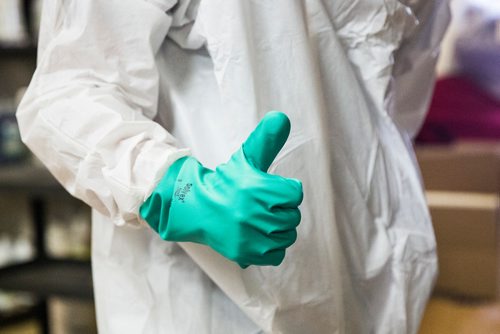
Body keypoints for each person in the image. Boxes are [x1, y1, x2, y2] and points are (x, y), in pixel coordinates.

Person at [17, 1, 450, 333]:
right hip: (204, 298)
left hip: (367, 276)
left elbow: (394, 100)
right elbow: (67, 91)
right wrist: (178, 191)